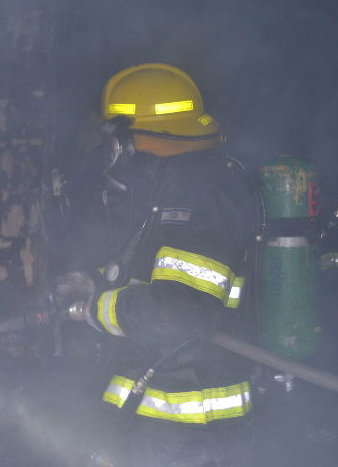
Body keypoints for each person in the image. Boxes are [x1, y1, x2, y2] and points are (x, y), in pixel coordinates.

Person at [56, 63, 258, 467]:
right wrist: (93, 285)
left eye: (115, 137)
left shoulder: (200, 193)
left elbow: (177, 312)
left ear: (132, 140)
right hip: (160, 426)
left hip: (189, 434)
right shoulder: (174, 186)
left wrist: (94, 310)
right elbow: (152, 277)